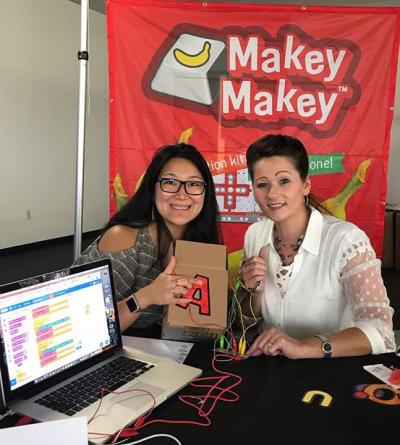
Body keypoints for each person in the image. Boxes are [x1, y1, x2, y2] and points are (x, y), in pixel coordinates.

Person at [238, 134, 395, 359]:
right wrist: (254, 292)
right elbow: (246, 322)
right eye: (262, 184)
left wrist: (303, 347)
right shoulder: (254, 235)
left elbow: (381, 331)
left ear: (306, 185)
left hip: (332, 373)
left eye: (284, 181)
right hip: (272, 369)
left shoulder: (347, 240)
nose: (272, 194)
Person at [74, 143, 222, 333]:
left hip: (171, 350)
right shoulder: (124, 239)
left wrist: (247, 288)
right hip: (117, 349)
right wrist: (147, 297)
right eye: (170, 182)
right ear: (153, 189)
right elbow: (85, 323)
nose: (182, 194)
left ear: (205, 193)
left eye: (193, 184)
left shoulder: (202, 244)